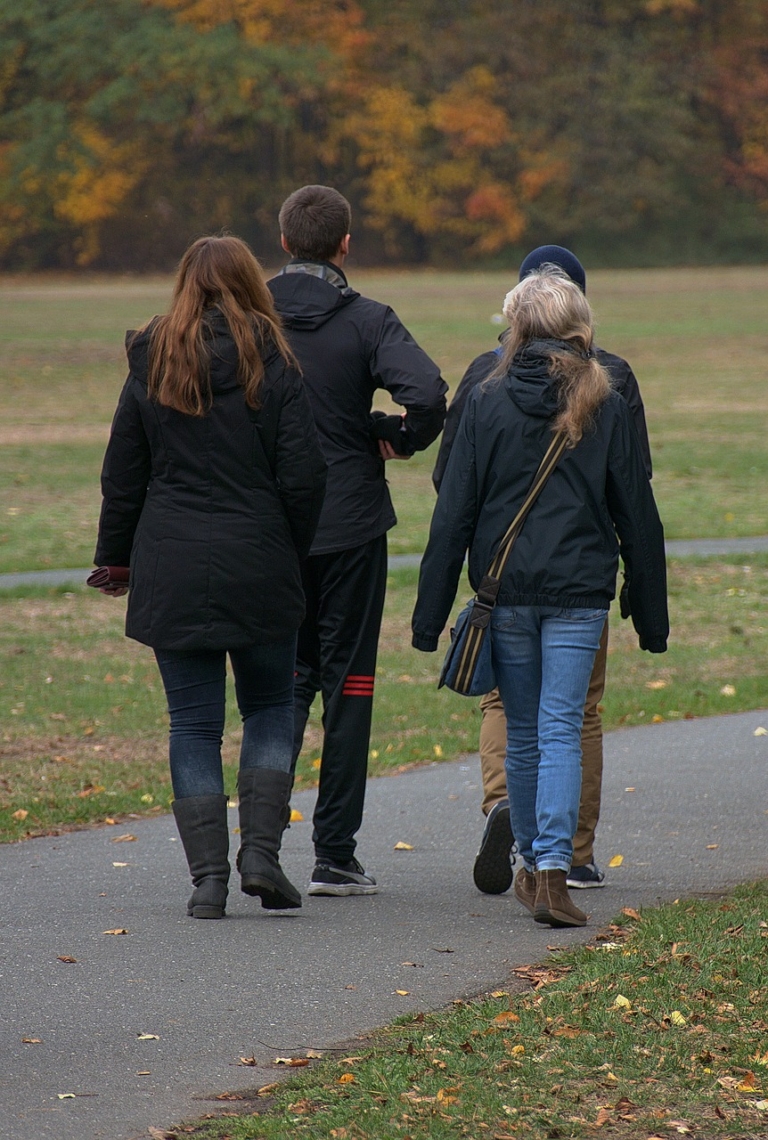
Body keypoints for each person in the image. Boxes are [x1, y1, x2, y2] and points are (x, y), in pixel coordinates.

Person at [412, 266, 668, 927]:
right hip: (580, 590)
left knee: (523, 732)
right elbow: (635, 507)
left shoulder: (487, 397)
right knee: (561, 728)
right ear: (578, 323)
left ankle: (533, 864)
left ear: (518, 322)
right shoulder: (606, 397)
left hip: (508, 591)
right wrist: (652, 608)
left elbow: (454, 511)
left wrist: (429, 612)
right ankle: (552, 869)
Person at [93, 235, 327, 919]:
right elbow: (304, 476)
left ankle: (207, 881)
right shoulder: (273, 358)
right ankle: (260, 854)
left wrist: (115, 558)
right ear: (251, 283)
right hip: (260, 558)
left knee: (193, 725)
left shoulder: (152, 359)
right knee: (269, 710)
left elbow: (122, 475)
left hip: (171, 561)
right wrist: (293, 548)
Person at [268, 185, 447, 896]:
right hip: (348, 523)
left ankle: (259, 846)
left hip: (271, 527)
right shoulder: (368, 320)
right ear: (346, 245)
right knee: (350, 685)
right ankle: (334, 853)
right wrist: (394, 437)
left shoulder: (250, 322)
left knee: (279, 687)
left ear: (283, 243)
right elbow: (428, 395)